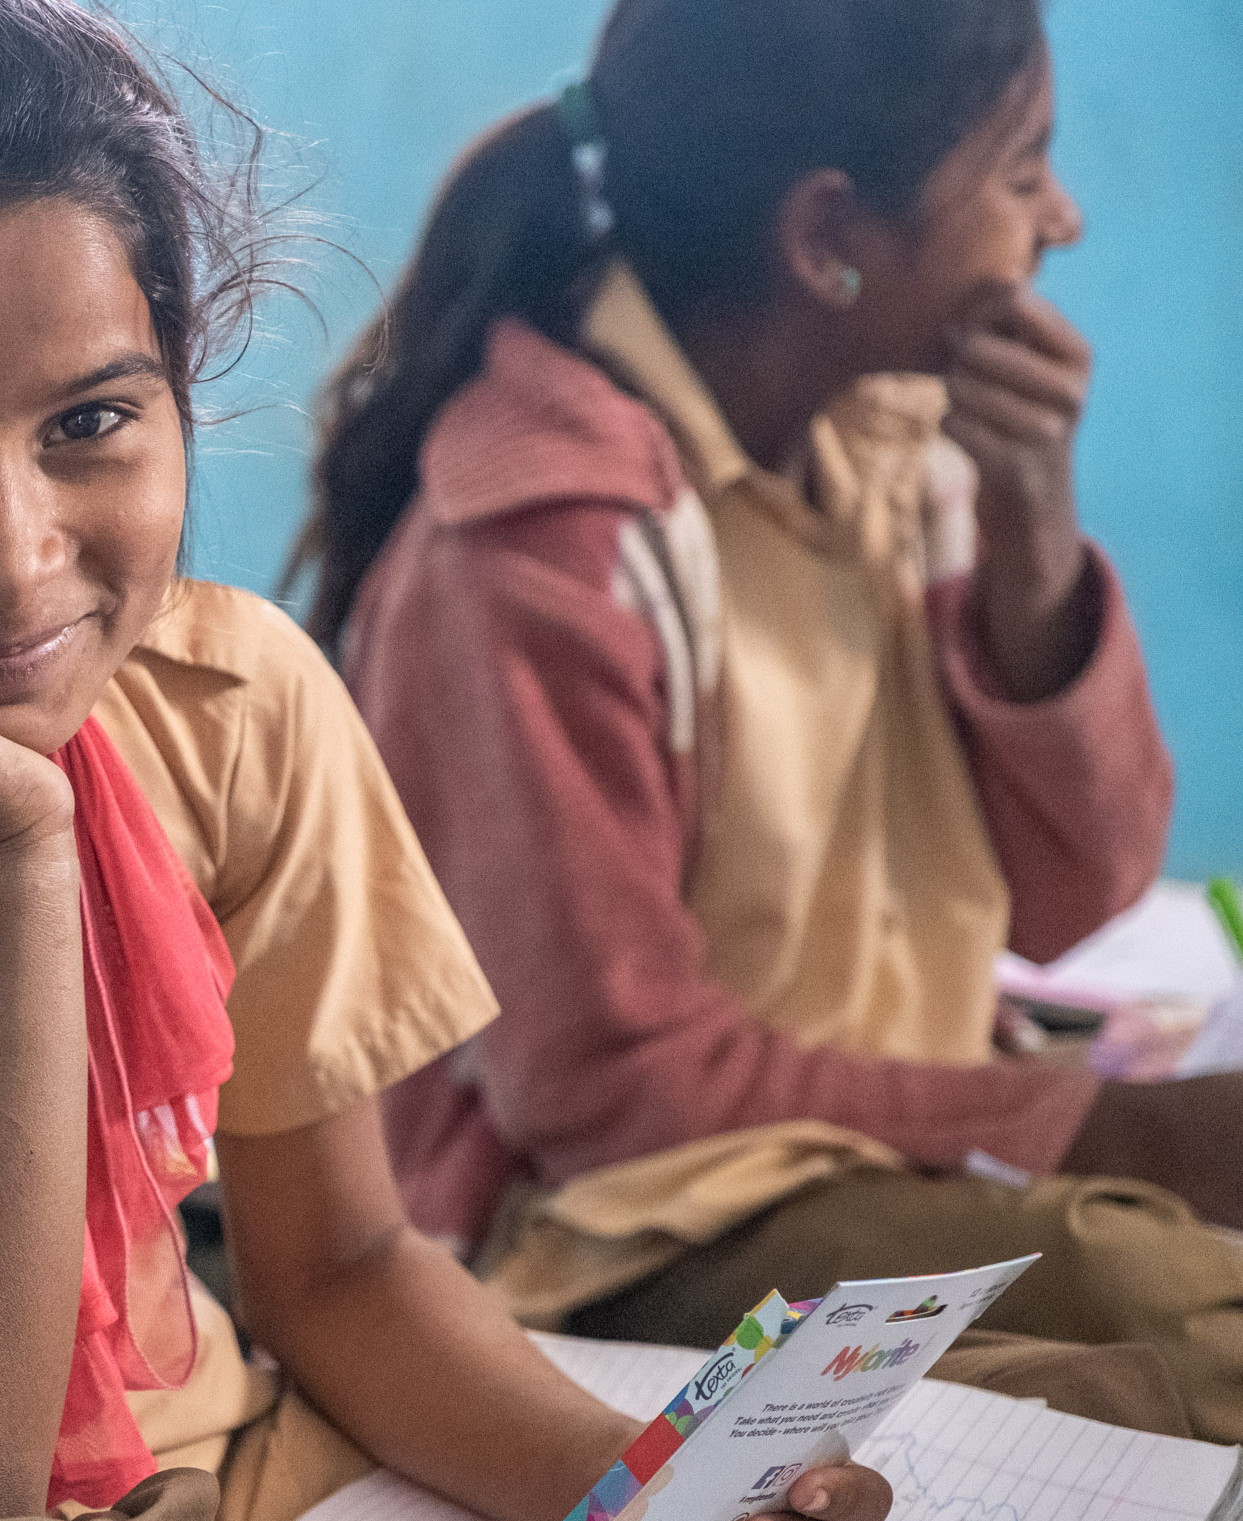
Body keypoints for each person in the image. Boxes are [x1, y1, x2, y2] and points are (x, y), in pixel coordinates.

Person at [0, 4, 897, 1520]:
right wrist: (12, 859)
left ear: (182, 403)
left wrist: (660, 1493)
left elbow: (344, 1268)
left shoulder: (230, 705)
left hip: (215, 1469)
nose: (7, 557)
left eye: (91, 422)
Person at [297, 0, 1243, 1445]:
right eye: (1021, 169)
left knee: (1185, 1290)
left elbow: (1078, 892)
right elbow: (608, 1098)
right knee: (1193, 1335)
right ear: (826, 242)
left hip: (874, 1149)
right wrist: (1091, 1129)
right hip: (615, 1229)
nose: (1065, 215)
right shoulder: (538, 549)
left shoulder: (894, 444)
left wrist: (1033, 538)